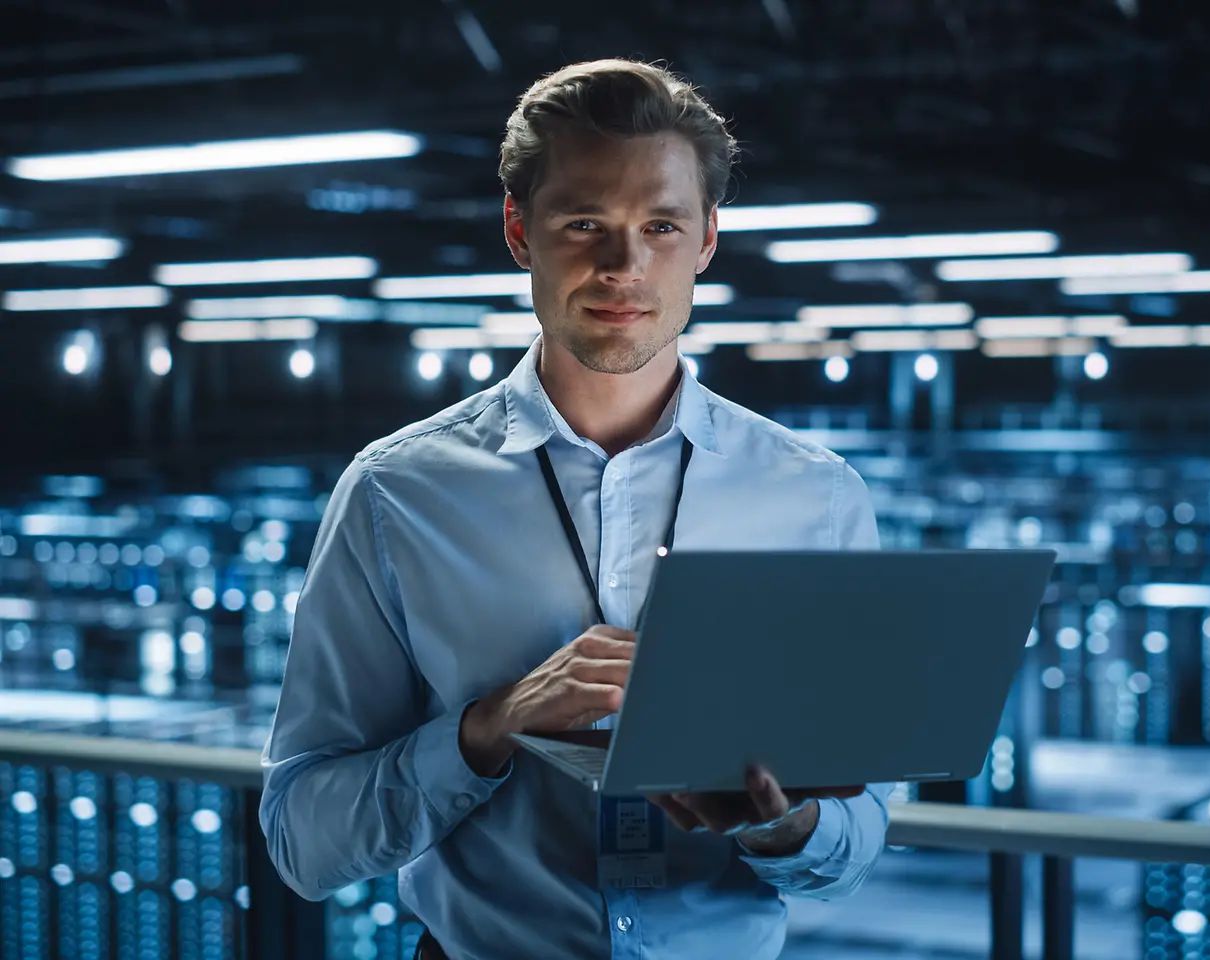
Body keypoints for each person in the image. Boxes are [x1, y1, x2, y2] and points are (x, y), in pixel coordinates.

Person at [259, 58, 891, 960]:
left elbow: (858, 843)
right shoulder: (397, 494)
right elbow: (300, 839)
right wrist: (486, 731)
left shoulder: (817, 498)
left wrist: (781, 826)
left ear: (708, 238)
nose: (622, 266)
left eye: (661, 226)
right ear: (520, 231)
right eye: (584, 222)